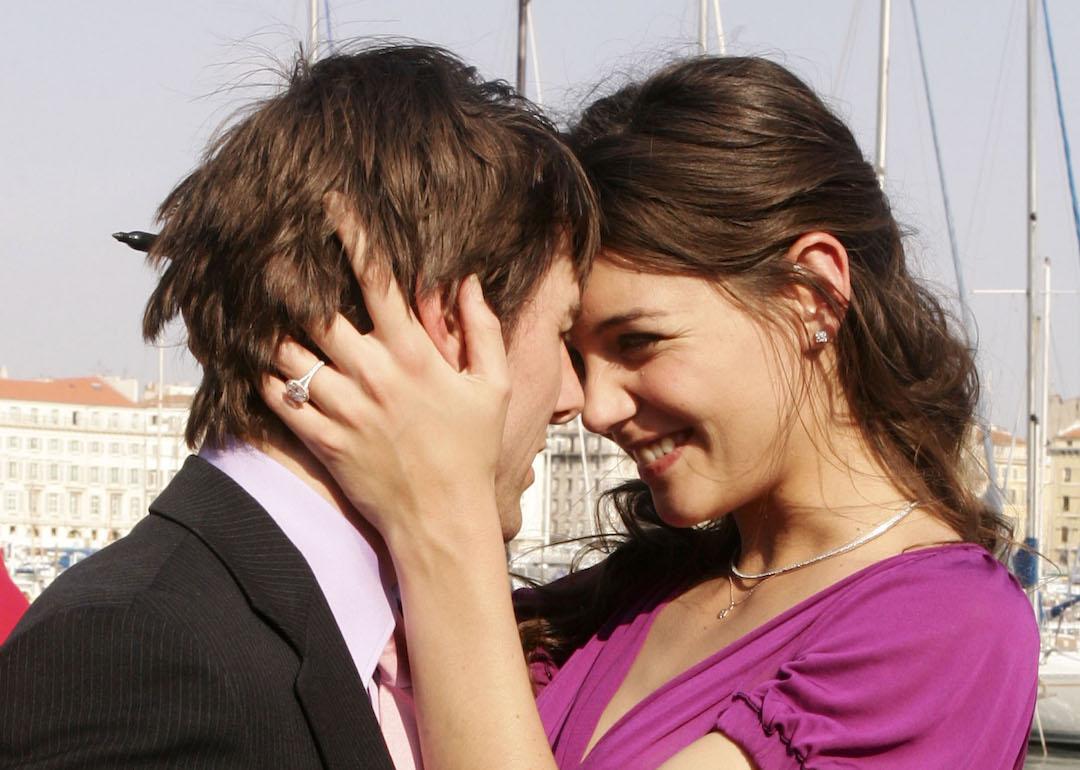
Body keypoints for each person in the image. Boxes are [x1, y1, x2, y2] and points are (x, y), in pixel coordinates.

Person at [265, 56, 1039, 769]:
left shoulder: (946, 632)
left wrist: (442, 514)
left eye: (639, 341)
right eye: (574, 351)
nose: (596, 407)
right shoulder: (625, 597)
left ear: (812, 297)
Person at [0, 44, 597, 768]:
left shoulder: (398, 633)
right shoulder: (131, 651)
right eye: (564, 336)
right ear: (450, 323)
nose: (576, 398)